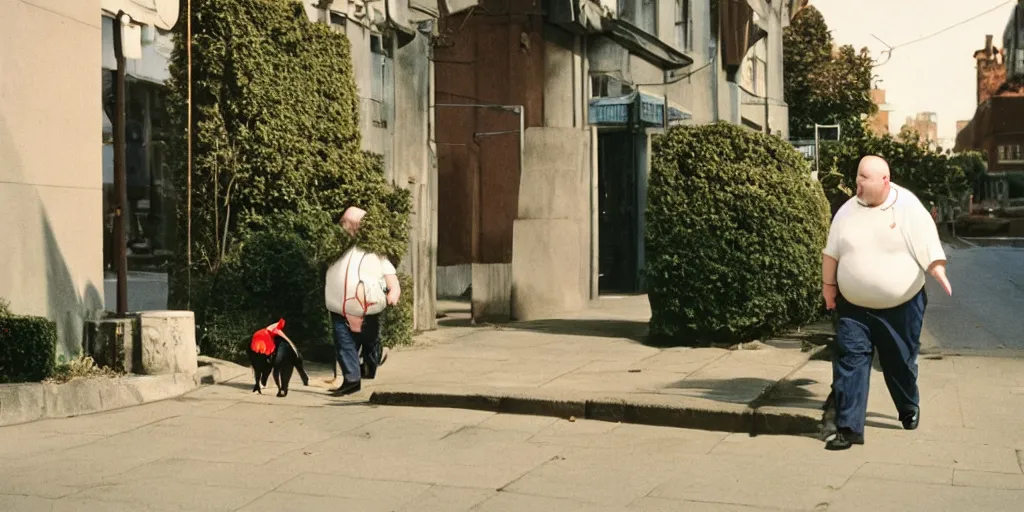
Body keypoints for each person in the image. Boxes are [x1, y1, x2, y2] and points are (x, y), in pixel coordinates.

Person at [821, 155, 952, 451]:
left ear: (884, 180)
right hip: (853, 307)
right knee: (850, 361)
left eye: (864, 179)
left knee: (899, 362)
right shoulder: (846, 212)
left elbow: (928, 246)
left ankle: (908, 405)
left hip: (902, 307)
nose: (858, 185)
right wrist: (828, 288)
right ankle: (848, 429)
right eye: (857, 179)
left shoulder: (907, 207)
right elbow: (831, 253)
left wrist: (937, 270)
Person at [324, 206, 401, 396]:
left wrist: (393, 292)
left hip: (367, 309)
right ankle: (351, 380)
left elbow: (390, 276)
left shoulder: (375, 253)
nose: (345, 228)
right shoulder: (336, 251)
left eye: (349, 224)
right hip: (339, 309)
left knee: (369, 340)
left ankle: (372, 358)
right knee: (344, 344)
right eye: (343, 223)